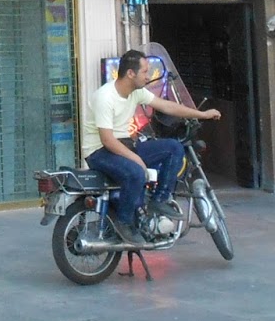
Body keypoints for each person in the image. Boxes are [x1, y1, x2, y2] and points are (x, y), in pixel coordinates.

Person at [82, 49, 221, 241]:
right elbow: (107, 140)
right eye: (145, 72)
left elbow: (166, 106)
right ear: (131, 73)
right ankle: (124, 223)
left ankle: (159, 201)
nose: (148, 77)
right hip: (99, 152)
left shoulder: (136, 92)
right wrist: (136, 159)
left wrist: (202, 114)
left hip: (124, 145)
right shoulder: (105, 97)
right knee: (136, 172)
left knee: (174, 148)